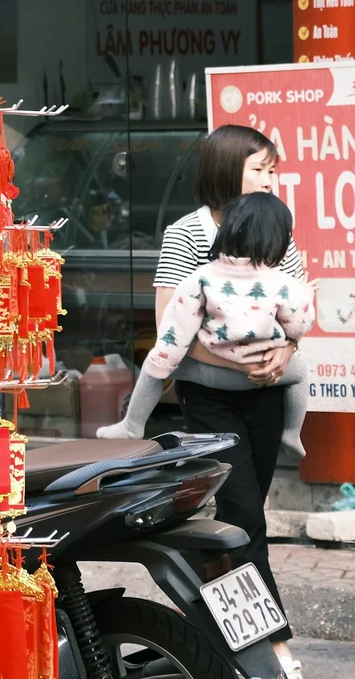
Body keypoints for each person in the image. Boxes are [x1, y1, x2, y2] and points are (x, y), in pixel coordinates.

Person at [106, 124, 306, 678]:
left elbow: (295, 307)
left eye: (273, 169)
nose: (272, 178)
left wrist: (285, 355)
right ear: (228, 170)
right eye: (261, 168)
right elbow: (169, 325)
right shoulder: (187, 234)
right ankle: (271, 650)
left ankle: (211, 631)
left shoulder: (272, 227)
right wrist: (241, 361)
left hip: (266, 396)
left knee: (243, 519)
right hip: (211, 401)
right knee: (241, 519)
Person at [100, 192, 314, 460]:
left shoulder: (200, 278)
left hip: (213, 373)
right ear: (278, 240)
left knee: (158, 363)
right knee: (302, 372)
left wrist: (166, 361)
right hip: (267, 371)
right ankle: (292, 432)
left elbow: (175, 331)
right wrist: (305, 300)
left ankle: (132, 425)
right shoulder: (284, 283)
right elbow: (299, 325)